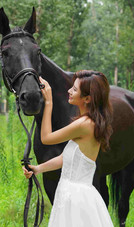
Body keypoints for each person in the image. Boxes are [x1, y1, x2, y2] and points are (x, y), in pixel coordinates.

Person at [22, 70, 114, 227]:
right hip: (72, 194)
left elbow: (46, 138)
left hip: (76, 200)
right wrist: (38, 169)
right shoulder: (88, 122)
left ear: (87, 99)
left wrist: (49, 102)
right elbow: (67, 158)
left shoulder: (84, 125)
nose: (69, 91)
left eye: (75, 89)